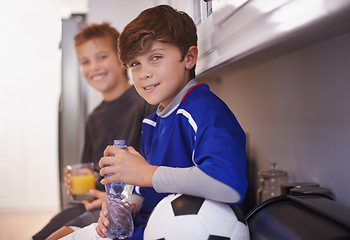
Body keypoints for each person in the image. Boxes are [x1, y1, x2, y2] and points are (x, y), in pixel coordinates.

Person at [60, 5, 248, 239]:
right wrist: (124, 209)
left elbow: (228, 185)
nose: (143, 73)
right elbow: (144, 188)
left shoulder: (205, 110)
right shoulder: (152, 122)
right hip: (141, 228)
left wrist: (148, 173)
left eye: (155, 58)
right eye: (135, 64)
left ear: (189, 57)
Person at [31, 22, 156, 240]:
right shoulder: (94, 117)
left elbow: (151, 168)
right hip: (93, 202)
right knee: (40, 236)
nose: (94, 67)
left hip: (123, 203)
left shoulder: (144, 101)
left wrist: (107, 197)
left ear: (121, 59)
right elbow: (93, 171)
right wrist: (83, 184)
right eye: (85, 61)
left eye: (101, 57)